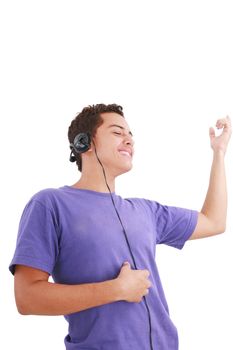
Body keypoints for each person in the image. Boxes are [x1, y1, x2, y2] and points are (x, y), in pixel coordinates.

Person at [9, 104, 231, 350]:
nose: (129, 141)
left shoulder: (146, 211)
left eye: (130, 135)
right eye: (117, 133)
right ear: (84, 143)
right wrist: (116, 289)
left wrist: (219, 153)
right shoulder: (50, 204)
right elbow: (27, 298)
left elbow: (214, 221)